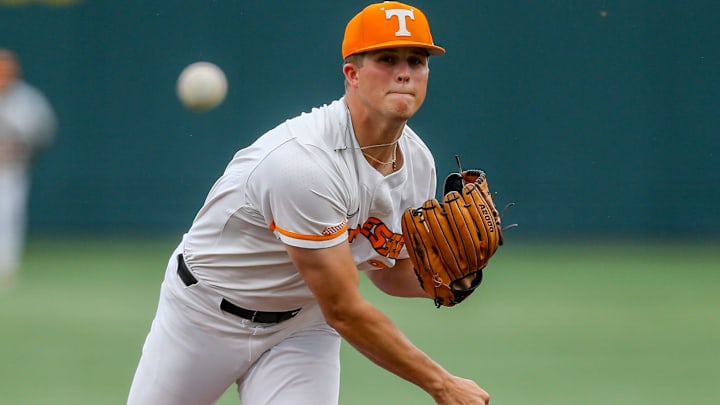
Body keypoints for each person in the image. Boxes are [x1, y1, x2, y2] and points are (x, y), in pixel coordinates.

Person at [127, 2, 490, 404]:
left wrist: (456, 281)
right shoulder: (304, 164)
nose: (404, 71)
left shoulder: (418, 163)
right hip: (204, 316)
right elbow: (345, 309)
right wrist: (441, 383)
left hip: (302, 325)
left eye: (416, 60)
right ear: (351, 74)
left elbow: (384, 269)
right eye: (387, 59)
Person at [0, 49, 56, 285]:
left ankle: (5, 266)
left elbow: (43, 133)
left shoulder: (27, 100)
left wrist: (19, 149)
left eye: (7, 69)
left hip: (10, 169)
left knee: (7, 215)